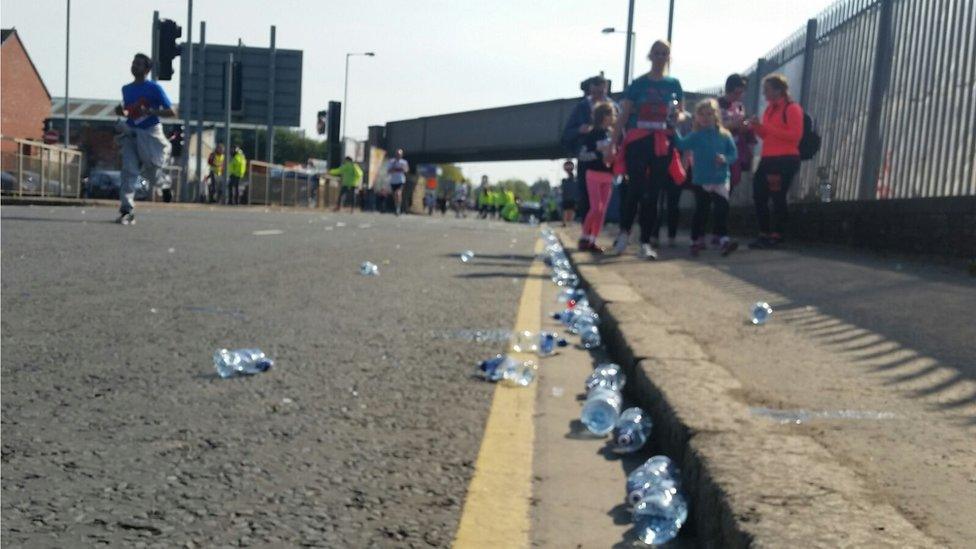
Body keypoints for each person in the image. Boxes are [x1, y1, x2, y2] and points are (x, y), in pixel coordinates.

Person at [612, 40, 685, 260]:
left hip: (662, 141)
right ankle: (624, 233)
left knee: (653, 193)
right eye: (657, 53)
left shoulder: (674, 84)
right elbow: (624, 114)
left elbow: (681, 113)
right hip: (638, 140)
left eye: (665, 53)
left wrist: (676, 117)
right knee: (635, 187)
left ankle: (645, 242)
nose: (661, 57)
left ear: (669, 57)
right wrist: (612, 142)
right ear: (650, 56)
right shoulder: (638, 84)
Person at [672, 98, 739, 256]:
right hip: (701, 179)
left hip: (721, 179)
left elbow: (733, 153)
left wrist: (725, 159)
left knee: (721, 210)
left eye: (709, 114)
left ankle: (723, 239)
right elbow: (681, 144)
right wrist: (673, 128)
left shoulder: (725, 135)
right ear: (696, 117)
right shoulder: (696, 135)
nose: (705, 117)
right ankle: (695, 240)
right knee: (701, 211)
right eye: (701, 114)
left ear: (716, 115)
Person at [114, 53, 176, 224]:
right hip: (131, 133)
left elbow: (171, 112)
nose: (134, 66)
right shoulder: (126, 89)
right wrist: (122, 112)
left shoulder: (154, 88)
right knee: (129, 171)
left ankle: (164, 186)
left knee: (153, 173)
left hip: (150, 133)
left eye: (139, 64)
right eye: (133, 63)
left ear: (147, 70)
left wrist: (151, 112)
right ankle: (126, 210)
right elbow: (129, 112)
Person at [747, 74, 804, 249]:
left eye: (767, 89)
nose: (764, 93)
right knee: (759, 194)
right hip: (769, 158)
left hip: (784, 159)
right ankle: (764, 233)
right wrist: (756, 126)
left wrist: (767, 128)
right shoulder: (769, 110)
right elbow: (766, 136)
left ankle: (777, 234)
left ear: (778, 90)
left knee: (777, 195)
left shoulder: (792, 108)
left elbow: (795, 136)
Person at [562, 74, 618, 222]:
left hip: (606, 160)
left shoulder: (613, 108)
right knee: (586, 195)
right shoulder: (581, 108)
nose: (596, 97)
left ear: (605, 90)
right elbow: (566, 133)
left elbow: (621, 130)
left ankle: (596, 230)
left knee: (604, 198)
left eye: (600, 93)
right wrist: (579, 130)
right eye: (593, 93)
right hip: (587, 158)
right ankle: (586, 231)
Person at [578, 102, 617, 253]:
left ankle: (593, 240)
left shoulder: (612, 133)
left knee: (602, 211)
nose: (613, 117)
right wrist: (599, 153)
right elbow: (582, 155)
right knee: (595, 208)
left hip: (608, 175)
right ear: (603, 116)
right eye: (611, 114)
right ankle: (584, 237)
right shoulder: (591, 134)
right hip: (593, 174)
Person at [386, 149, 409, 215]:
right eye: (397, 154)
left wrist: (402, 168)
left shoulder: (404, 162)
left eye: (399, 154)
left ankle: (398, 208)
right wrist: (395, 168)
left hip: (401, 181)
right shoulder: (391, 161)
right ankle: (396, 206)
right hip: (393, 181)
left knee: (398, 193)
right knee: (395, 196)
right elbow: (389, 171)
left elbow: (406, 170)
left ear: (401, 155)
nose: (398, 155)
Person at [558, 160, 577, 227]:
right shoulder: (574, 182)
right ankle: (568, 222)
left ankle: (566, 222)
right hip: (570, 198)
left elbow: (561, 189)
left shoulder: (565, 181)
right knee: (570, 210)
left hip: (567, 198)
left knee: (567, 211)